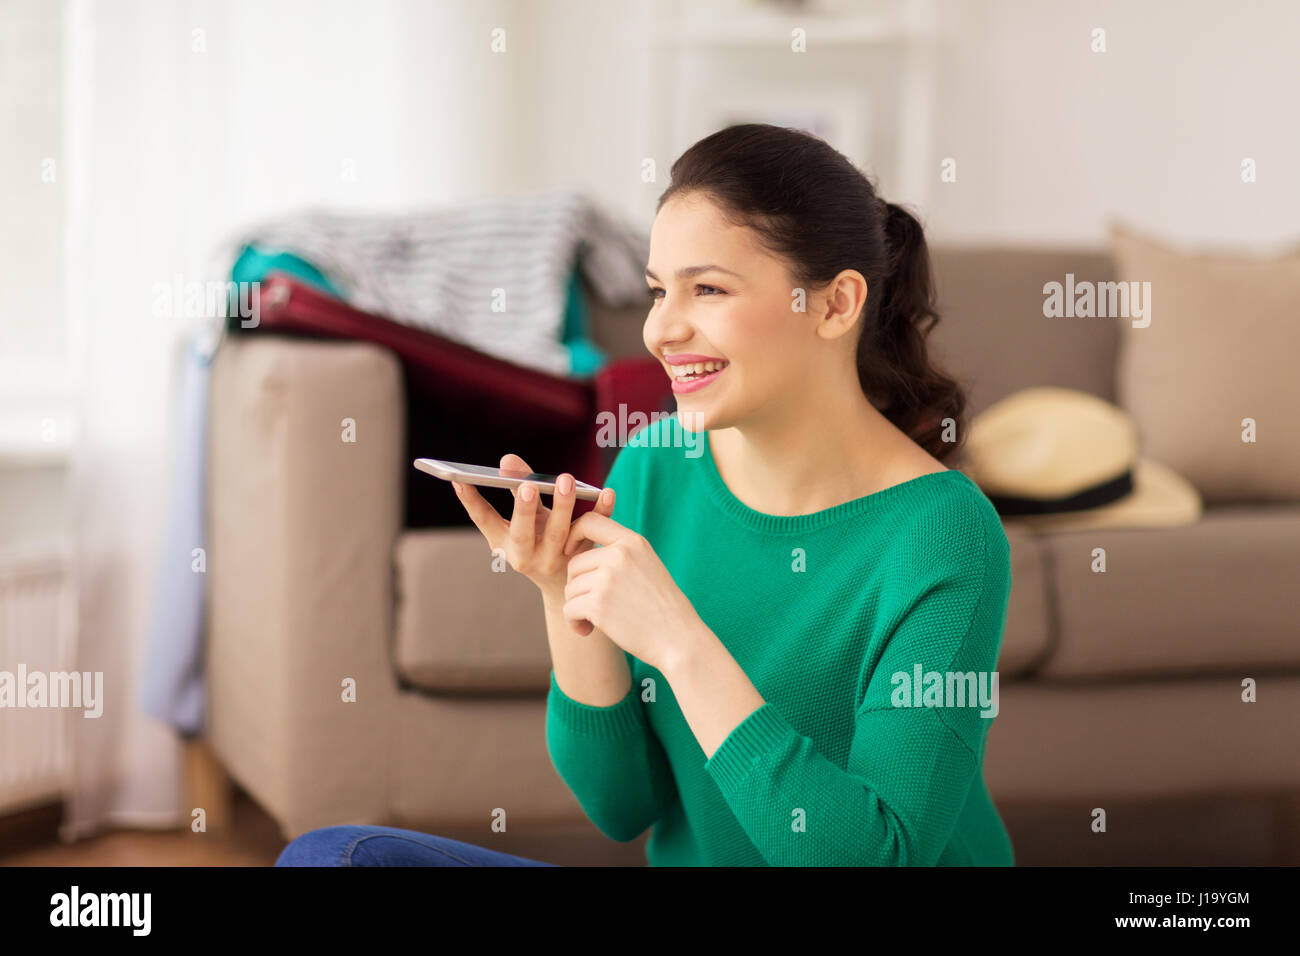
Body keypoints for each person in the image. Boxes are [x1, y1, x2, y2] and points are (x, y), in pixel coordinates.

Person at [277, 122, 1015, 867]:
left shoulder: (944, 532)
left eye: (709, 290)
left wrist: (679, 641)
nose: (663, 329)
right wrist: (567, 598)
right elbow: (621, 807)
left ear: (833, 305)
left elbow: (879, 857)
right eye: (660, 291)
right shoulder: (659, 462)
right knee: (335, 860)